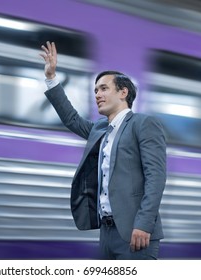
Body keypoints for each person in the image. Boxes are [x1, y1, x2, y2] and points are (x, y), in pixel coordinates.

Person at [40, 41, 167, 259]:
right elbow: (71, 119)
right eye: (96, 90)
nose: (97, 94)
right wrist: (51, 78)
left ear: (123, 92)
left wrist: (144, 224)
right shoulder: (100, 129)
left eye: (104, 88)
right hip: (107, 231)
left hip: (135, 232)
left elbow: (156, 176)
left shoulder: (143, 124)